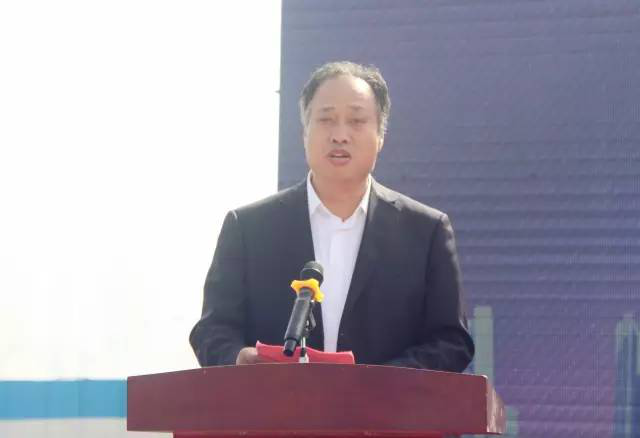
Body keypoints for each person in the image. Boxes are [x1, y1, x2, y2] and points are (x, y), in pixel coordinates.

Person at [189, 61, 474, 371]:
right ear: (304, 132)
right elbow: (212, 330)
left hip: (386, 404)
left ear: (380, 136)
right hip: (276, 402)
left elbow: (451, 342)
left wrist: (382, 383)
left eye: (356, 121)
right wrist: (236, 358)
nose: (340, 135)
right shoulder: (248, 228)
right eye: (326, 120)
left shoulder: (425, 232)